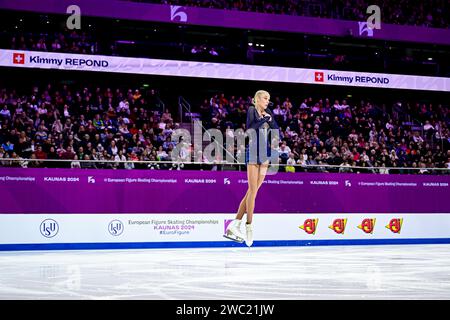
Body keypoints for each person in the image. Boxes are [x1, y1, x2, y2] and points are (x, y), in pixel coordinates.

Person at [224, 90, 279, 247]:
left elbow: (275, 128)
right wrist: (263, 120)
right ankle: (249, 226)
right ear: (257, 99)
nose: (268, 101)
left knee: (253, 192)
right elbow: (250, 128)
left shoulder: (268, 112)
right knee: (252, 191)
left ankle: (234, 225)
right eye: (265, 98)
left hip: (266, 153)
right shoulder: (251, 110)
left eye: (269, 98)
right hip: (253, 151)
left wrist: (270, 119)